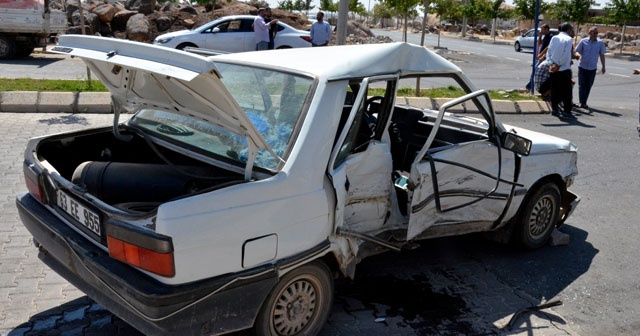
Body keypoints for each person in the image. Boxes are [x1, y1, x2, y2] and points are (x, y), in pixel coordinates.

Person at [546, 22, 577, 119]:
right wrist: (559, 64)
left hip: (553, 68)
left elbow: (549, 51)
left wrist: (552, 63)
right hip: (563, 69)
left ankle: (555, 109)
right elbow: (566, 54)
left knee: (554, 89)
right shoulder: (568, 39)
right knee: (567, 91)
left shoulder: (554, 38)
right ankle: (567, 111)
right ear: (568, 30)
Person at [574, 26, 606, 110]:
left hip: (592, 68)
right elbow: (577, 50)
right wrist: (577, 54)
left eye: (596, 33)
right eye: (593, 33)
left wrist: (603, 66)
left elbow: (602, 54)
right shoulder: (583, 41)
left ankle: (584, 102)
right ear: (589, 33)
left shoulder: (600, 43)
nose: (595, 34)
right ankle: (582, 102)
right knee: (582, 85)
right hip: (582, 66)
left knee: (588, 85)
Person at [526, 24, 553, 91]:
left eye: (543, 29)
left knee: (535, 71)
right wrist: (540, 35)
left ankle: (529, 86)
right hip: (541, 57)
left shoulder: (550, 37)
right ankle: (530, 86)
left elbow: (548, 48)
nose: (541, 31)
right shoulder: (546, 36)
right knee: (535, 71)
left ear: (547, 29)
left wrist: (542, 56)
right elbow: (540, 43)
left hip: (544, 58)